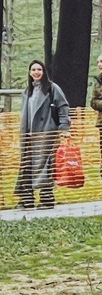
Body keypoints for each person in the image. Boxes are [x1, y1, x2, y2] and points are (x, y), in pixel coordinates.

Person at [14, 60, 71, 209]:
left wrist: (64, 128)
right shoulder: (28, 91)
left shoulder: (52, 88)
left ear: (44, 71)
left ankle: (46, 199)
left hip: (47, 133)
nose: (36, 72)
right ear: (29, 72)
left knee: (45, 165)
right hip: (29, 135)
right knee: (27, 166)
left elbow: (63, 107)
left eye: (39, 69)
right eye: (33, 69)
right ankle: (27, 199)